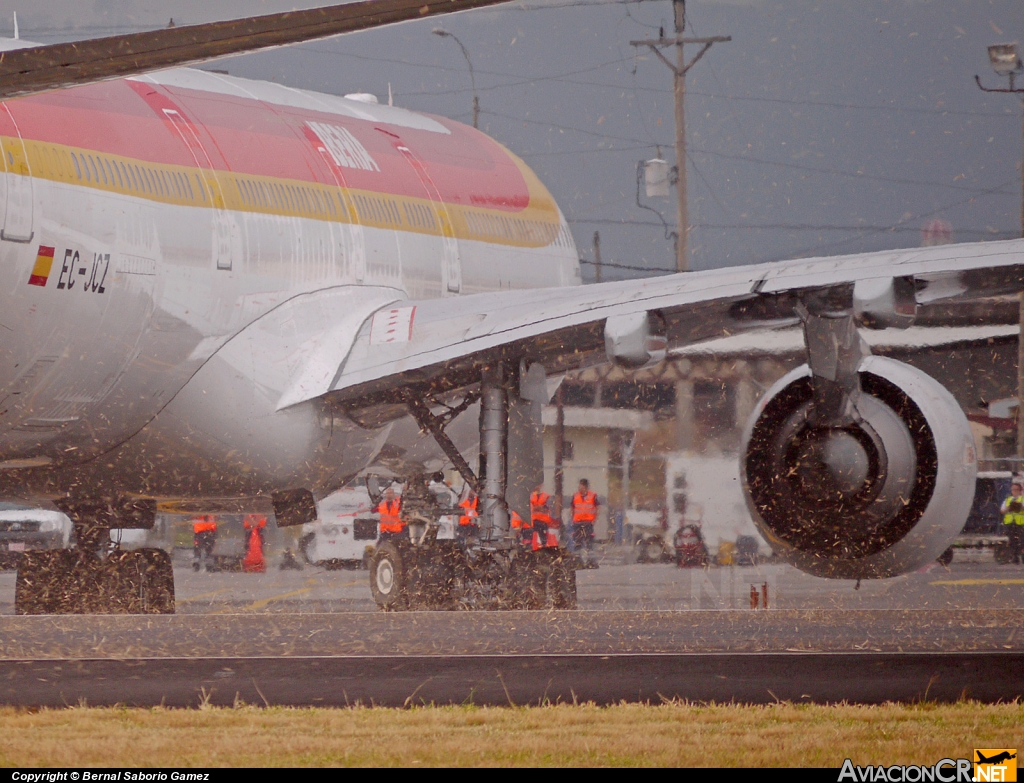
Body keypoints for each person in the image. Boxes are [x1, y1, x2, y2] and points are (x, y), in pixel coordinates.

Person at [570, 478, 599, 567]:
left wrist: (594, 519)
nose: (579, 488)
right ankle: (577, 561)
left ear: (585, 487)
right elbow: (572, 508)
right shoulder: (575, 496)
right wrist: (572, 519)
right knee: (577, 543)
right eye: (579, 486)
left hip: (588, 523)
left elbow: (597, 508)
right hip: (577, 523)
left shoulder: (592, 496)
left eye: (581, 486)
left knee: (589, 543)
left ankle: (591, 561)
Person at [1000, 478, 1024, 565]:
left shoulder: (1022, 499)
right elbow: (1002, 511)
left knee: (1021, 541)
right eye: (1013, 490)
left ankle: (1020, 554)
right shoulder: (1008, 500)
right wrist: (1009, 508)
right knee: (1012, 540)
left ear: (1020, 491)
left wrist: (1020, 507)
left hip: (1020, 524)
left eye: (1016, 490)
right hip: (1010, 524)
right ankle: (1015, 556)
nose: (1014, 491)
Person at [530, 483, 558, 550]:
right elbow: (529, 508)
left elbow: (547, 508)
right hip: (533, 522)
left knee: (543, 541)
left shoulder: (546, 496)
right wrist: (540, 507)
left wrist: (536, 507)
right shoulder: (531, 496)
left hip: (543, 522)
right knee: (533, 541)